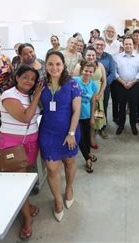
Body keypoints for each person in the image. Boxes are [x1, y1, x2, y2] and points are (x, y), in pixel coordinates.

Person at [0, 65, 43, 240]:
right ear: (17, 77)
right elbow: (25, 117)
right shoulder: (9, 95)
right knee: (20, 182)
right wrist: (37, 95)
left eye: (32, 79)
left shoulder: (28, 95)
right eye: (25, 77)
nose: (29, 81)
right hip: (13, 145)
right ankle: (26, 219)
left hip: (30, 143)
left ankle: (26, 205)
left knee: (24, 178)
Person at [38, 51, 81, 222]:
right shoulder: (40, 85)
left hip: (69, 131)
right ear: (46, 66)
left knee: (69, 162)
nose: (54, 67)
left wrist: (71, 133)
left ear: (63, 65)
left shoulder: (73, 84)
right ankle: (57, 199)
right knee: (51, 168)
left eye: (58, 64)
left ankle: (69, 188)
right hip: (48, 131)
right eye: (50, 64)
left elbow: (77, 110)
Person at [72, 46, 107, 144]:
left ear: (96, 56)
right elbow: (74, 83)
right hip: (83, 96)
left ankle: (92, 137)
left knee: (95, 117)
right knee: (84, 116)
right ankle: (80, 137)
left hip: (97, 94)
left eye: (93, 55)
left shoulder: (100, 66)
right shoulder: (79, 66)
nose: (91, 57)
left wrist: (100, 94)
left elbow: (104, 81)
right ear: (84, 55)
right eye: (89, 55)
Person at [114, 36, 139, 136]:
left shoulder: (138, 58)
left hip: (134, 85)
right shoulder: (117, 57)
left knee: (133, 106)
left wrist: (131, 82)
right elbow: (115, 73)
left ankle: (133, 125)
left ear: (133, 45)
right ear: (123, 45)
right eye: (126, 44)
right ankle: (121, 125)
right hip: (120, 85)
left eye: (130, 44)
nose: (128, 46)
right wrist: (123, 82)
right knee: (121, 106)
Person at [73, 61, 99, 173]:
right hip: (75, 116)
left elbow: (93, 102)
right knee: (80, 138)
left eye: (90, 71)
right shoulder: (74, 81)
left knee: (87, 137)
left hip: (86, 115)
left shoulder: (93, 85)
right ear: (81, 70)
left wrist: (92, 117)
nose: (87, 73)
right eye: (86, 71)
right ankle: (87, 159)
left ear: (93, 73)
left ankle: (87, 153)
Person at [94, 37, 117, 136]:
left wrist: (104, 83)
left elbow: (113, 73)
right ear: (93, 45)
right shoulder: (89, 56)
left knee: (102, 106)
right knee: (92, 106)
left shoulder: (109, 57)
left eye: (101, 45)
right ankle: (93, 127)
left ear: (104, 46)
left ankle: (101, 127)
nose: (99, 46)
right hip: (90, 86)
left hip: (104, 87)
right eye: (97, 44)